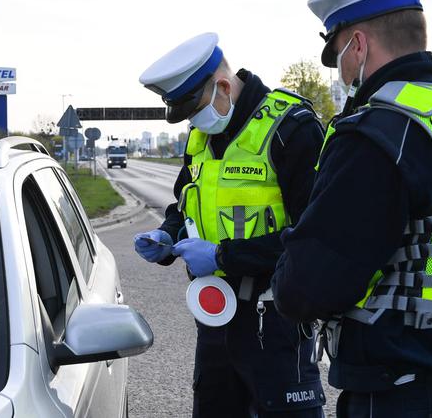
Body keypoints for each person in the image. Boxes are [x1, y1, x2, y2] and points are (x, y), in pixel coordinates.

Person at [271, 0, 432, 416]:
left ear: (358, 46)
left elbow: (309, 287)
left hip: (402, 392)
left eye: (339, 55)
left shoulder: (378, 132)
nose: (342, 73)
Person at [134, 33, 326, 417]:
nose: (193, 122)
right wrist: (167, 234)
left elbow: (314, 237)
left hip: (275, 321)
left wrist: (223, 255)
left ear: (223, 86)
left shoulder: (292, 129)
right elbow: (185, 202)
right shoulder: (202, 136)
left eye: (194, 110)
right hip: (215, 317)